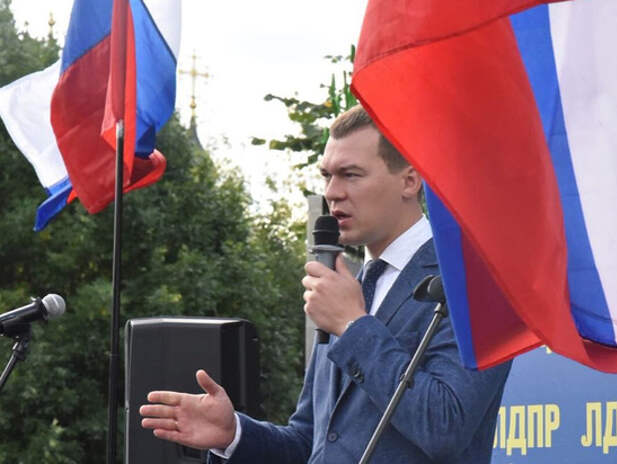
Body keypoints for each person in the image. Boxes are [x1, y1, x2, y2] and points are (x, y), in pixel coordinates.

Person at [140, 104, 512, 463]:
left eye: (351, 174)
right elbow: (311, 442)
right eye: (327, 176)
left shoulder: (472, 285)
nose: (332, 192)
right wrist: (234, 434)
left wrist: (353, 326)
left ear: (409, 181)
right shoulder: (348, 290)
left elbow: (445, 426)